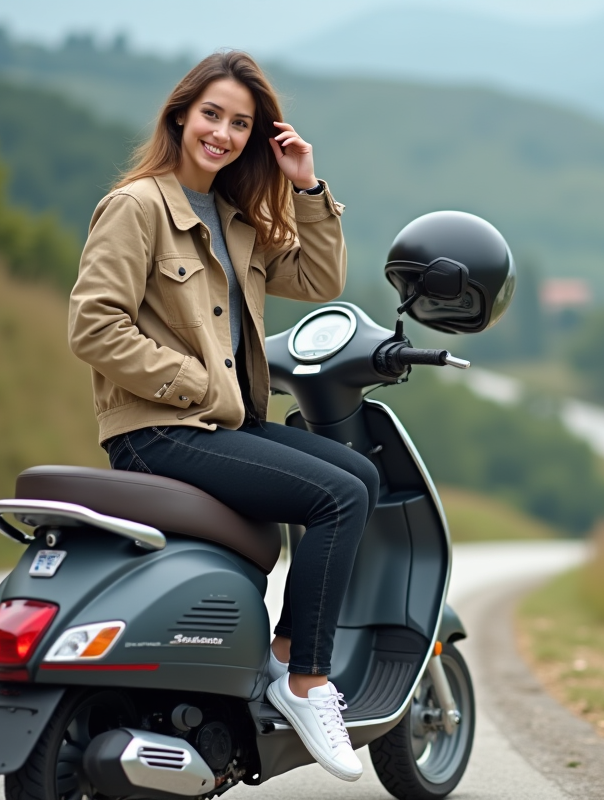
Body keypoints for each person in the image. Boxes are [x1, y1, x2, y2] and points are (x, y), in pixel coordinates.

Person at [67, 51, 377, 783]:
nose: (224, 133)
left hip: (217, 427)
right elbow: (94, 326)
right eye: (213, 115)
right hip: (158, 431)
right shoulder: (139, 205)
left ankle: (277, 656)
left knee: (358, 477)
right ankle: (304, 680)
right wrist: (195, 386)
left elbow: (320, 280)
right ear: (180, 115)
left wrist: (307, 187)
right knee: (336, 496)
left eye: (241, 123)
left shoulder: (235, 219)